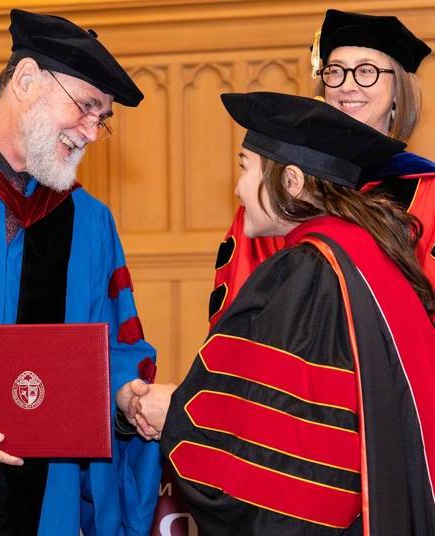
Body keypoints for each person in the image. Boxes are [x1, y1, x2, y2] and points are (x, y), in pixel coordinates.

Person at [0, 9, 161, 535]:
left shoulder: (87, 222)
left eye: (102, 119)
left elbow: (110, 348)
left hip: (46, 506)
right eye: (87, 107)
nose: (92, 131)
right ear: (25, 81)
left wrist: (122, 397)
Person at [129, 92, 435, 535]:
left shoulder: (308, 271)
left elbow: (285, 454)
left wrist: (178, 414)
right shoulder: (371, 253)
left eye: (244, 168)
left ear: (290, 181)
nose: (236, 189)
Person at [209, 9, 434, 328]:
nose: (347, 85)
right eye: (335, 71)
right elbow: (240, 305)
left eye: (366, 71)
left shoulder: (427, 191)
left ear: (398, 91)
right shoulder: (278, 190)